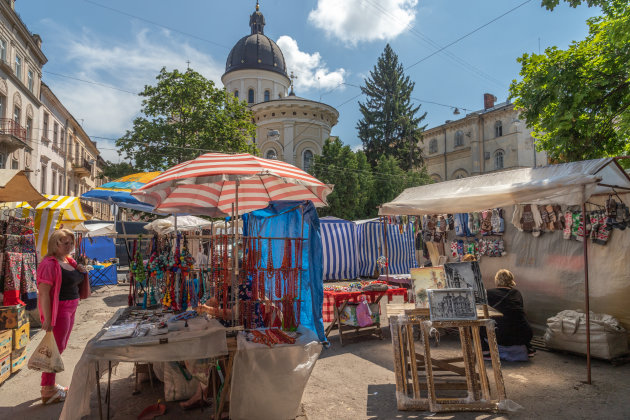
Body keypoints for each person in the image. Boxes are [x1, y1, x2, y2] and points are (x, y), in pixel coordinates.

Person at [37, 229, 88, 404]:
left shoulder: (69, 261)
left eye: (70, 243)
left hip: (71, 308)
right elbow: (43, 293)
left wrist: (81, 270)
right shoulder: (49, 264)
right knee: (55, 349)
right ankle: (47, 389)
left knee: (60, 346)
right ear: (55, 244)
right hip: (60, 311)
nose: (68, 246)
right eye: (64, 243)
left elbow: (76, 279)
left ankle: (50, 385)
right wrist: (48, 320)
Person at [485, 269, 535, 358]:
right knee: (516, 321)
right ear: (511, 280)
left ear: (496, 280)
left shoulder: (489, 293)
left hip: (501, 336)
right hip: (525, 335)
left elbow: (485, 313)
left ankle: (486, 351)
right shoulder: (516, 293)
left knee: (481, 324)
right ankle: (528, 348)